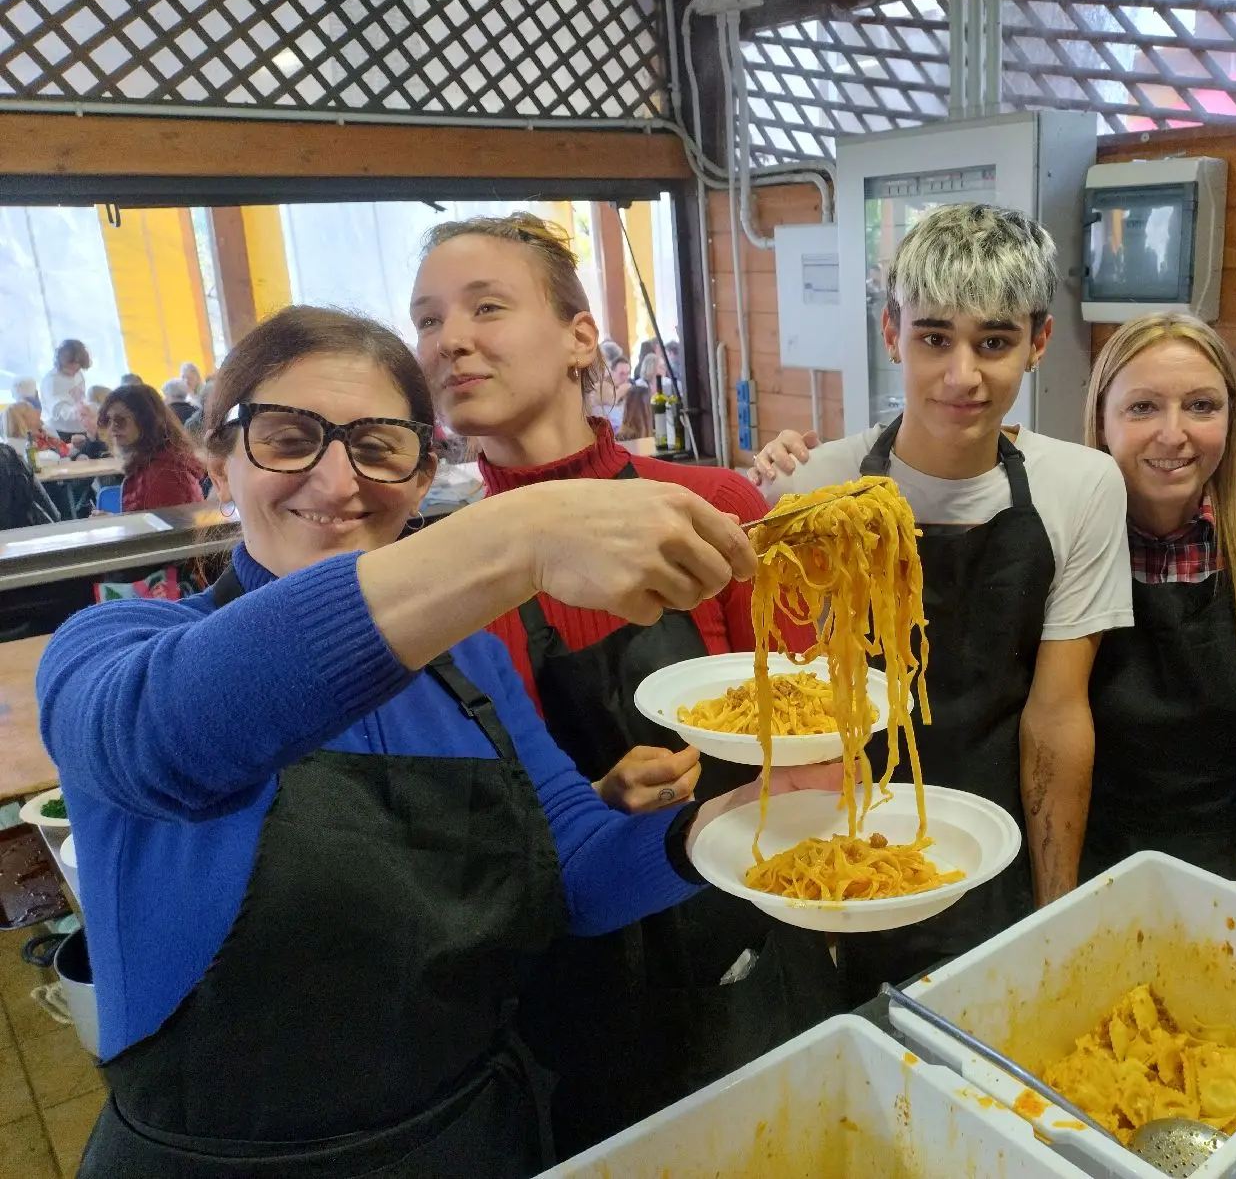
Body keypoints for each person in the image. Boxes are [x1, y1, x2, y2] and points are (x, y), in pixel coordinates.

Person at [41, 305, 837, 1178]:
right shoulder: (116, 654)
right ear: (218, 462)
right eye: (287, 437)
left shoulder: (469, 669)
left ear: (422, 477)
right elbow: (168, 740)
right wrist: (516, 536)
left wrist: (725, 823)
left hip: (472, 1140)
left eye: (379, 445)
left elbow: (572, 871)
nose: (339, 481)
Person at [410, 212, 838, 1156]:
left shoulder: (714, 508)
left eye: (487, 308)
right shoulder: (442, 575)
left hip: (755, 927)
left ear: (578, 339)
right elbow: (486, 823)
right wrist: (597, 801)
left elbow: (818, 724)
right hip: (579, 979)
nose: (453, 341)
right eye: (429, 321)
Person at [749, 203, 1132, 1002]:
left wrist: (1051, 911)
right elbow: (798, 700)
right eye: (934, 339)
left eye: (993, 342)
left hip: (990, 847)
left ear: (1037, 342)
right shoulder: (819, 483)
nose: (964, 376)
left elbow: (1057, 716)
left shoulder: (1080, 486)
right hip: (840, 837)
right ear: (893, 334)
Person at [1077, 314, 1236, 881]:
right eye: (1142, 407)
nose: (1173, 433)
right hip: (1093, 855)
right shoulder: (1064, 531)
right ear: (1101, 419)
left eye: (1202, 406)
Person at [99, 383, 206, 512]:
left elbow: (165, 530)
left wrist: (115, 526)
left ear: (146, 422)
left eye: (120, 420)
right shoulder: (154, 462)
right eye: (107, 420)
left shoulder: (163, 474)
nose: (112, 428)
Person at [43, 339, 91, 434]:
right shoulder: (52, 381)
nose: (73, 373)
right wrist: (82, 412)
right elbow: (58, 412)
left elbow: (81, 398)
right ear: (60, 362)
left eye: (76, 369)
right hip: (62, 430)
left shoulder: (79, 374)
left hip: (80, 426)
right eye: (69, 369)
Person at [4, 400, 69, 459]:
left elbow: (65, 451)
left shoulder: (47, 431)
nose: (38, 412)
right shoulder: (13, 444)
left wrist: (76, 447)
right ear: (24, 420)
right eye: (32, 410)